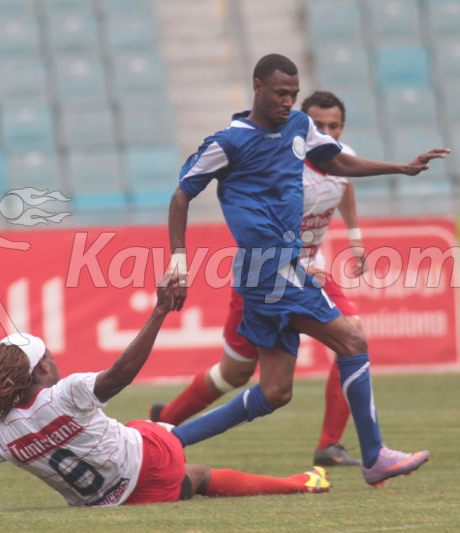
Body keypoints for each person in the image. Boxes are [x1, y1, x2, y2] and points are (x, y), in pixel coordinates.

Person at [165, 54, 448, 487]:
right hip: (268, 271)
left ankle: (167, 444)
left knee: (275, 392)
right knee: (352, 340)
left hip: (273, 270)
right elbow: (182, 195)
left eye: (294, 94)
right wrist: (179, 262)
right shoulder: (229, 142)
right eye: (281, 93)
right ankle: (374, 457)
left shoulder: (298, 126)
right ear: (257, 87)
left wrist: (400, 168)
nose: (288, 102)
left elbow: (334, 162)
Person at [0, 273, 330, 518]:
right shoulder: (65, 393)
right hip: (148, 465)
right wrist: (158, 312)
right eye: (46, 356)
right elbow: (119, 374)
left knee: (159, 439)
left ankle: (288, 463)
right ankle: (297, 472)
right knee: (178, 454)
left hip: (103, 503)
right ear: (37, 370)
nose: (54, 361)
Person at [150, 91, 368, 468]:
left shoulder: (337, 158)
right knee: (235, 373)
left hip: (309, 271)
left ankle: (331, 445)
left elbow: (343, 186)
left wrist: (354, 237)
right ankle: (165, 422)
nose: (326, 131)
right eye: (319, 125)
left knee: (353, 336)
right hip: (267, 274)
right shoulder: (281, 163)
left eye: (334, 126)